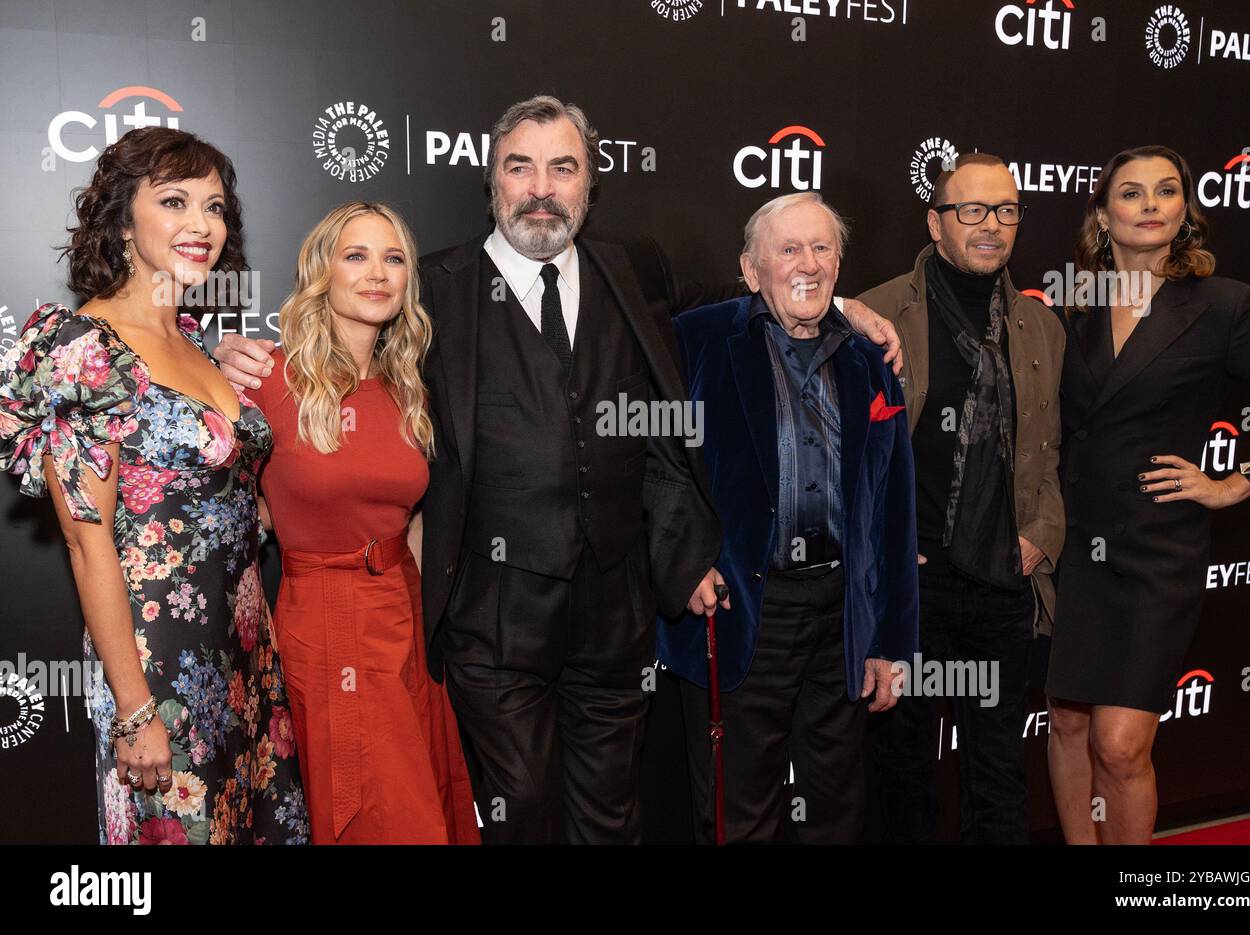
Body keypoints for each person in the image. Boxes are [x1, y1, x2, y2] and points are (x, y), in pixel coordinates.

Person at [212, 95, 901, 844]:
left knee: (611, 819)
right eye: (521, 166)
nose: (542, 186)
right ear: (493, 182)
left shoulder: (634, 269)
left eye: (563, 167)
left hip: (616, 618)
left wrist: (845, 309)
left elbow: (749, 302)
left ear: (589, 184)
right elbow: (341, 329)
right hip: (491, 620)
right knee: (520, 818)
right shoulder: (434, 284)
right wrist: (230, 357)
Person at [0, 127, 308, 844]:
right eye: (174, 201)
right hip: (158, 666)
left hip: (246, 652)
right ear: (123, 217)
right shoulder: (83, 350)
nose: (201, 225)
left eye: (215, 206)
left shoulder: (197, 341)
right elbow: (87, 543)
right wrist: (136, 710)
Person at [1046, 144, 1250, 844]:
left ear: (1186, 209)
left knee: (1121, 744)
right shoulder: (1075, 300)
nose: (1150, 205)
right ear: (1103, 213)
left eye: (1166, 191)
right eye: (1131, 193)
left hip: (1157, 552)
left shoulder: (1222, 305)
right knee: (1067, 721)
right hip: (1072, 543)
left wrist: (1236, 482)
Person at [660, 192, 918, 843]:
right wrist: (684, 557)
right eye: (789, 248)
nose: (808, 262)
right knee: (737, 807)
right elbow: (654, 462)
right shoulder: (697, 340)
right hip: (742, 607)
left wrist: (891, 640)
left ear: (840, 263)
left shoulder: (872, 360)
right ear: (751, 270)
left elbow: (894, 508)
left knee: (835, 805)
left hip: (841, 615)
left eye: (821, 247)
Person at [245, 201, 478, 844]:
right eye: (356, 255)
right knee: (371, 809)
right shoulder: (268, 380)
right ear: (324, 271)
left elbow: (416, 521)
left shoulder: (412, 393)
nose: (377, 273)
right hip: (322, 621)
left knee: (416, 797)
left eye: (394, 258)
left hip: (404, 618)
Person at [859, 153, 1065, 844]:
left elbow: (1051, 449)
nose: (991, 226)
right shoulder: (879, 312)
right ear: (935, 221)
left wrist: (1042, 531)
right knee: (902, 772)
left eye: (1007, 210)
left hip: (1005, 581)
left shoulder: (1042, 327)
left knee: (1000, 774)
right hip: (913, 586)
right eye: (971, 210)